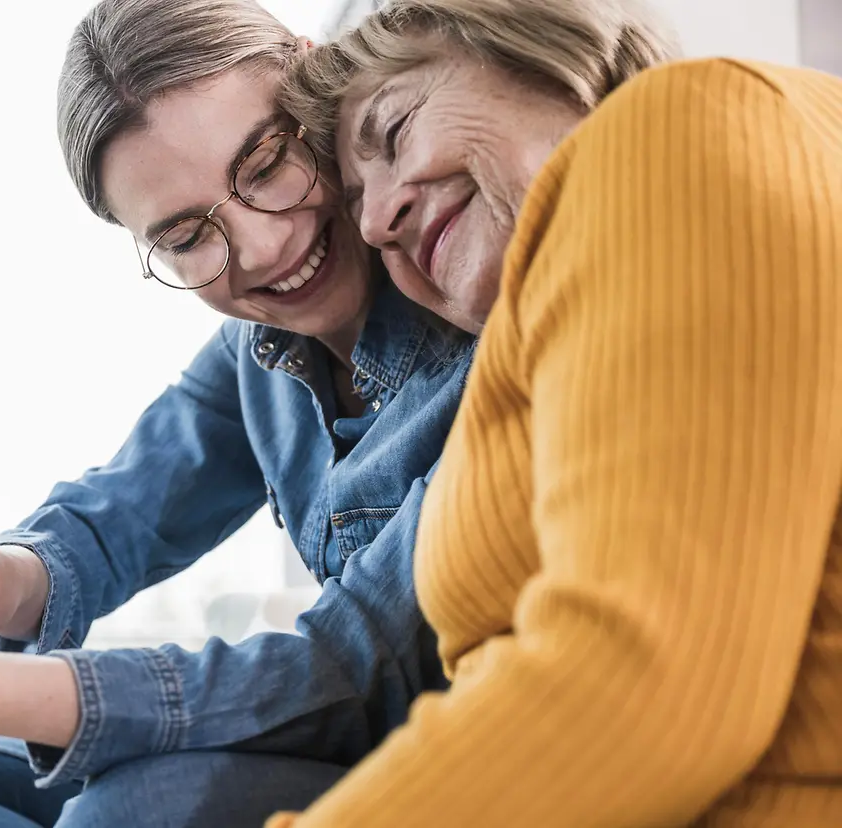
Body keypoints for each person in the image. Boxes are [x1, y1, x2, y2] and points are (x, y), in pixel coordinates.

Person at [0, 1, 672, 826]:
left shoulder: (477, 295)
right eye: (187, 236)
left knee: (132, 811)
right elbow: (130, 503)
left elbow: (353, 667)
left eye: (266, 162)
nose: (262, 246)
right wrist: (8, 581)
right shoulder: (259, 353)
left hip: (437, 744)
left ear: (315, 81)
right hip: (331, 731)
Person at [264, 0, 842, 825]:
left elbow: (642, 690)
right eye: (359, 204)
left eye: (393, 134)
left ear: (535, 45)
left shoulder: (679, 127)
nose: (376, 220)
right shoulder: (547, 335)